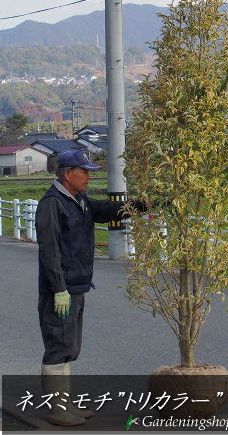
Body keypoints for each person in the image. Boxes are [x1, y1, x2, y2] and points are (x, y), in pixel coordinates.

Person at [35, 148, 146, 426]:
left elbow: (108, 210)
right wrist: (59, 288)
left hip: (77, 286)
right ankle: (55, 409)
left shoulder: (79, 200)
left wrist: (143, 205)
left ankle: (64, 403)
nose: (88, 177)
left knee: (69, 346)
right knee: (57, 346)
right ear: (67, 173)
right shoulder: (52, 204)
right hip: (60, 290)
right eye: (84, 172)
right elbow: (50, 251)